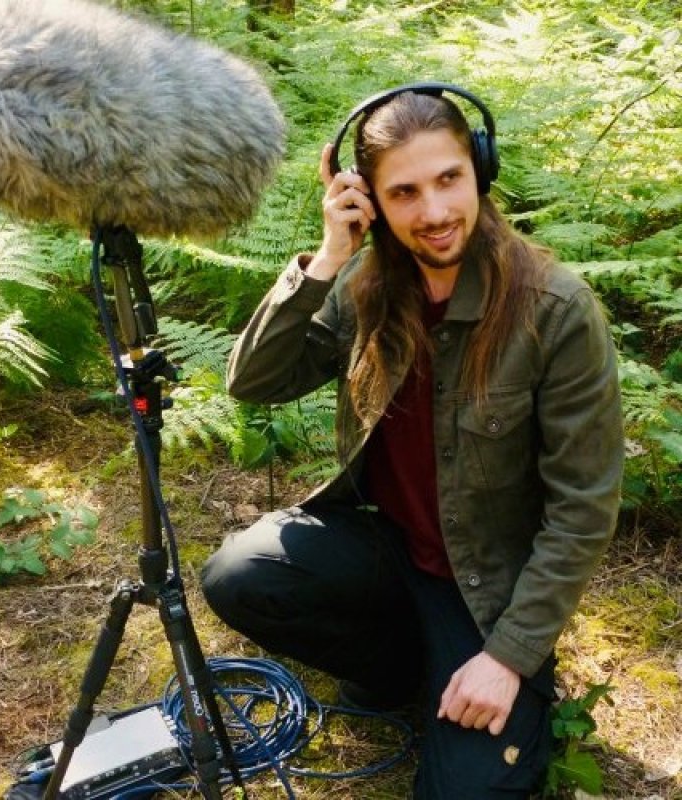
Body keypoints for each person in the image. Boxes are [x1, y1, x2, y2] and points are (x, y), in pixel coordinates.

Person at [201, 87, 623, 798]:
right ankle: (403, 671)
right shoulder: (367, 283)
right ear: (369, 200)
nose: (433, 213)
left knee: (465, 792)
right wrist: (328, 258)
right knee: (240, 576)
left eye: (449, 179)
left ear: (480, 170)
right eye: (404, 192)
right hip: (390, 552)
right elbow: (254, 381)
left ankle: (463, 671)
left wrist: (509, 657)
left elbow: (582, 510)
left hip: (488, 589)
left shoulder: (556, 310)